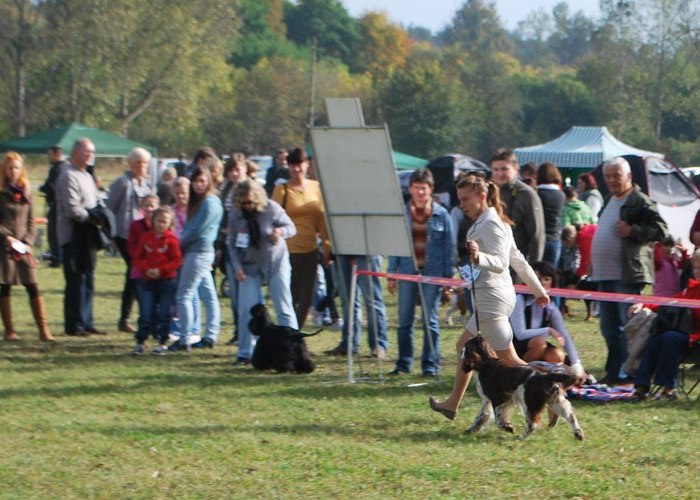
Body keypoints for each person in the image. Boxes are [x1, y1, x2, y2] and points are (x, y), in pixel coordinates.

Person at [428, 174, 548, 421]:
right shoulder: (495, 221)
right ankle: (453, 404)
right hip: (493, 298)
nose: (462, 204)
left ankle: (550, 391)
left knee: (510, 360)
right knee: (465, 348)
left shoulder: (491, 224)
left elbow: (502, 263)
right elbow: (518, 260)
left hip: (492, 300)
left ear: (482, 196)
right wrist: (538, 290)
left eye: (466, 199)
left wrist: (478, 257)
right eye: (460, 199)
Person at [590, 157, 668, 385]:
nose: (612, 180)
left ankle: (630, 373)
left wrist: (632, 231)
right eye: (608, 176)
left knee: (630, 328)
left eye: (617, 175)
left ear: (629, 176)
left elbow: (661, 230)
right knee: (608, 328)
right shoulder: (608, 199)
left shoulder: (640, 200)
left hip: (627, 275)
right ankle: (615, 371)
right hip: (603, 275)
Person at [387, 168, 454, 376]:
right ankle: (403, 363)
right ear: (410, 189)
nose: (420, 192)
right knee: (404, 320)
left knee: (429, 320)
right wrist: (391, 274)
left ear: (431, 189)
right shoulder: (402, 214)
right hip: (407, 272)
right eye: (416, 188)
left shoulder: (442, 215)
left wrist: (448, 280)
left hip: (433, 274)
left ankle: (430, 365)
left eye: (423, 188)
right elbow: (395, 245)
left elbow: (449, 249)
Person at [227, 180, 297, 365]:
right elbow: (232, 243)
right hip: (249, 266)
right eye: (243, 203)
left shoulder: (272, 208)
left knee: (284, 308)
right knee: (245, 311)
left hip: (275, 262)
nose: (247, 206)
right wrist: (237, 267)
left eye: (250, 202)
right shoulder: (235, 215)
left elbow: (292, 228)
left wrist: (280, 231)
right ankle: (245, 353)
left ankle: (294, 348)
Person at [629, 249, 700, 401]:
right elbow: (669, 303)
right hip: (685, 336)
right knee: (655, 338)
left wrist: (694, 337)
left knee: (669, 337)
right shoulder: (691, 290)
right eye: (695, 267)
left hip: (695, 339)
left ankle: (669, 388)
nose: (697, 271)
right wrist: (644, 305)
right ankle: (641, 386)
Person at [271, 147, 330, 329]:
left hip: (311, 249)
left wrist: (327, 248)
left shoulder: (316, 187)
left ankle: (296, 334)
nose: (297, 169)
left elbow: (321, 219)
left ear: (307, 164)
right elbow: (272, 218)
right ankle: (288, 332)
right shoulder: (282, 190)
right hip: (288, 251)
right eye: (293, 165)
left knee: (307, 298)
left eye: (300, 164)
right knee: (291, 296)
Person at [56, 138, 108, 336]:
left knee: (88, 278)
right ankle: (74, 324)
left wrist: (102, 214)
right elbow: (73, 209)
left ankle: (87, 321)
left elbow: (97, 200)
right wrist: (93, 218)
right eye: (87, 151)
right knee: (76, 279)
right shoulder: (67, 176)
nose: (90, 155)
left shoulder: (86, 175)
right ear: (76, 152)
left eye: (92, 152)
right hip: (73, 236)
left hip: (88, 236)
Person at [0, 152, 54, 342]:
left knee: (32, 285)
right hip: (4, 247)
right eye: (10, 168)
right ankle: (9, 330)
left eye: (16, 167)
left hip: (23, 246)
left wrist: (28, 242)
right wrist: (7, 237)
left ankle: (43, 330)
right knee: (4, 286)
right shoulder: (1, 193)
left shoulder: (26, 193)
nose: (13, 171)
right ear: (4, 170)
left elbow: (31, 221)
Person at [174, 165, 223, 350]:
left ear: (209, 181)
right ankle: (210, 335)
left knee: (184, 296)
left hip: (198, 252)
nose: (198, 185)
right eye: (195, 181)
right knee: (208, 295)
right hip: (199, 251)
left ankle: (184, 338)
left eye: (202, 181)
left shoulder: (210, 202)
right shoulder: (201, 202)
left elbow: (197, 230)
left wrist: (178, 244)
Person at [106, 147, 153, 333]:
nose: (142, 166)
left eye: (144, 163)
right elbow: (110, 206)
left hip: (142, 232)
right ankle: (143, 315)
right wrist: (110, 231)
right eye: (138, 163)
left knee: (132, 276)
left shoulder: (146, 183)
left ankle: (127, 318)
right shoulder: (123, 182)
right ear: (131, 164)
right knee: (135, 271)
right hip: (124, 233)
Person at [511, 261, 585, 376]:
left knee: (557, 356)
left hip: (537, 345)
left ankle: (539, 374)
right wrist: (549, 330)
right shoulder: (519, 300)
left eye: (547, 279)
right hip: (514, 346)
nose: (542, 283)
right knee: (540, 342)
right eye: (538, 279)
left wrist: (576, 364)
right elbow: (520, 334)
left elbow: (564, 335)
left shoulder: (551, 307)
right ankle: (519, 373)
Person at [132, 207, 182, 355]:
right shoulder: (146, 238)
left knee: (164, 313)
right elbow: (138, 258)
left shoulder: (172, 240)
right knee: (145, 312)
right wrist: (146, 269)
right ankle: (140, 341)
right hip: (149, 280)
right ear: (153, 221)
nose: (161, 225)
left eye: (165, 222)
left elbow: (177, 260)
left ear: (170, 223)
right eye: (159, 221)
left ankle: (162, 342)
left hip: (167, 280)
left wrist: (161, 270)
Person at [324, 254, 389, 359]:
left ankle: (378, 345)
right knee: (348, 302)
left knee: (372, 301)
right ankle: (349, 344)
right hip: (341, 253)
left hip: (367, 253)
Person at [490, 148, 545, 264]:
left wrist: (534, 267)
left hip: (517, 263)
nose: (500, 174)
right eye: (496, 169)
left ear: (515, 169)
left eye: (504, 169)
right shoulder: (489, 192)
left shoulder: (526, 195)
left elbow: (537, 235)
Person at [39, 145, 67, 267]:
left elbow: (51, 187)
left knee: (53, 233)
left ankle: (56, 258)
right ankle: (60, 256)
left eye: (50, 155)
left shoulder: (57, 169)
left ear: (57, 154)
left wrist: (42, 188)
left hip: (56, 205)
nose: (49, 157)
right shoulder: (66, 167)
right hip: (62, 206)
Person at [536, 162, 565, 268]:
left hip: (539, 239)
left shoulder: (537, 194)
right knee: (550, 273)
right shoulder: (561, 195)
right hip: (555, 238)